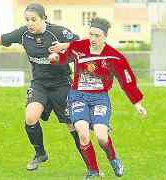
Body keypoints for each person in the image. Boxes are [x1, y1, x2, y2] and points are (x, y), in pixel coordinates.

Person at [0, 3, 92, 171]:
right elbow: (0, 39)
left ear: (43, 18)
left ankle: (92, 167)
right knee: (30, 118)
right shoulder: (23, 34)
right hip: (40, 84)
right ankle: (40, 154)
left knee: (73, 127)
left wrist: (62, 47)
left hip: (62, 85)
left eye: (33, 19)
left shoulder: (59, 32)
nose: (30, 23)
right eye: (27, 20)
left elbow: (83, 44)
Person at [49, 17, 147, 179]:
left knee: (101, 136)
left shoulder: (114, 57)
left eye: (97, 36)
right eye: (91, 35)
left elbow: (126, 80)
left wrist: (137, 103)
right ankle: (93, 171)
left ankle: (113, 159)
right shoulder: (78, 47)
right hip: (77, 96)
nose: (93, 39)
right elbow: (64, 57)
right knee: (83, 132)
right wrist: (55, 59)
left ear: (105, 36)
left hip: (100, 98)